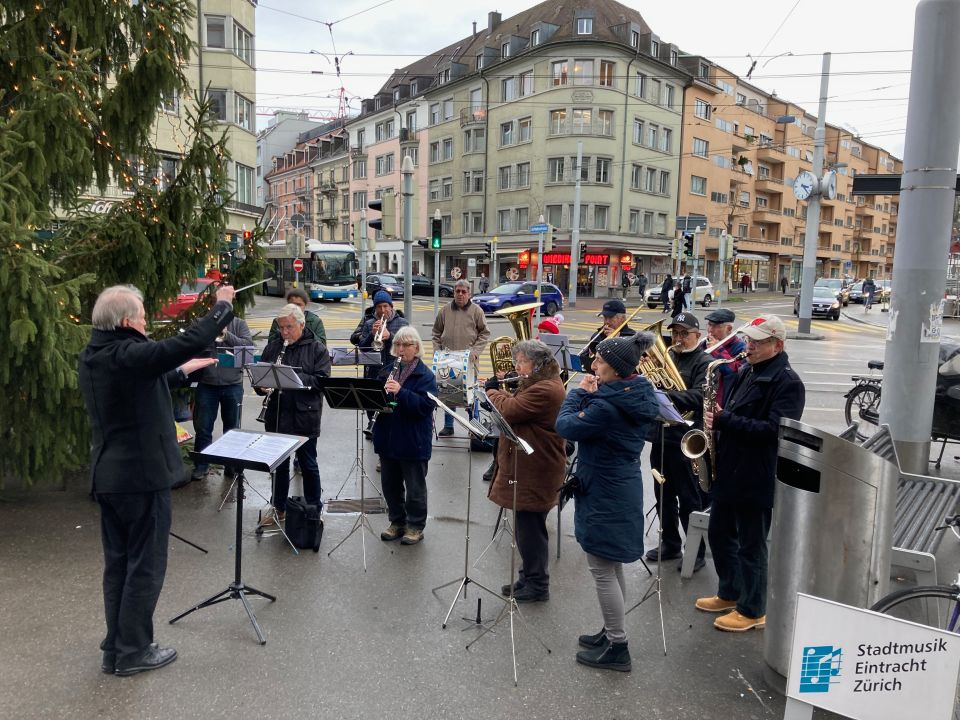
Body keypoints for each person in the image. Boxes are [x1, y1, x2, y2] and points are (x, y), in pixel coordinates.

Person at [79, 283, 236, 676]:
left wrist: (183, 371)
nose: (148, 323)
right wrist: (221, 307)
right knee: (144, 566)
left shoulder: (97, 353)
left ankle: (116, 645)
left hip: (110, 476)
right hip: (140, 478)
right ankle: (134, 650)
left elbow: (141, 382)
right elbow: (182, 342)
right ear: (128, 321)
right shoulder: (129, 352)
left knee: (119, 564)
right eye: (144, 317)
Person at [556, 332, 661, 672]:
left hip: (605, 489)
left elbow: (565, 426)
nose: (594, 364)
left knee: (602, 568)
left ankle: (618, 646)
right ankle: (611, 629)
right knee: (612, 565)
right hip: (619, 484)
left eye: (600, 360)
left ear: (616, 369)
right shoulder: (634, 392)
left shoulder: (606, 405)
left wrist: (577, 395)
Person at [697, 315, 805, 632]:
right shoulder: (748, 370)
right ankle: (730, 592)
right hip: (731, 467)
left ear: (778, 344)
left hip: (756, 473)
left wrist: (724, 420)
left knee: (752, 545)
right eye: (749, 340)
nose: (749, 346)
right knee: (719, 533)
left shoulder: (788, 382)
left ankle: (753, 609)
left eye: (757, 342)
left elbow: (775, 431)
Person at [483, 340, 567, 602]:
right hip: (530, 466)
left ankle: (538, 585)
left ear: (538, 364)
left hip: (538, 467)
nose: (516, 367)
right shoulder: (536, 384)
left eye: (521, 362)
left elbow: (510, 409)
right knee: (525, 528)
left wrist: (492, 392)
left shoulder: (546, 389)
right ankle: (527, 577)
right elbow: (517, 404)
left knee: (532, 530)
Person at [255, 304, 332, 528]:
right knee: (279, 465)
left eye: (289, 327)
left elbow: (321, 381)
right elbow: (260, 378)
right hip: (277, 413)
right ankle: (279, 508)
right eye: (281, 328)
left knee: (308, 464)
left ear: (301, 325)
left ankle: (313, 509)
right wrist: (262, 387)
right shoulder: (273, 347)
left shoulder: (317, 349)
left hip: (304, 415)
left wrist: (291, 378)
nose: (284, 332)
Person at [646, 313, 712, 572]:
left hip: (686, 438)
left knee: (689, 497)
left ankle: (696, 550)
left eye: (685, 333)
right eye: (675, 333)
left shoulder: (705, 362)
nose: (679, 338)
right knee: (662, 494)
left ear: (698, 334)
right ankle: (670, 542)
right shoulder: (669, 355)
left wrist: (666, 395)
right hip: (661, 435)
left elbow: (699, 396)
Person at [374, 326, 438, 545]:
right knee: (390, 486)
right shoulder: (387, 370)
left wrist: (401, 391)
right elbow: (373, 400)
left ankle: (415, 526)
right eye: (398, 345)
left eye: (406, 345)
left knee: (415, 488)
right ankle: (397, 522)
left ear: (416, 347)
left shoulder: (425, 375)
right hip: (388, 437)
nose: (401, 349)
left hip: (413, 440)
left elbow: (425, 406)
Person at [190, 313, 253, 481]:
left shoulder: (239, 324)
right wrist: (209, 332)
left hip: (232, 384)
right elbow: (192, 343)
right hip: (207, 383)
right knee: (203, 428)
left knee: (232, 429)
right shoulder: (201, 322)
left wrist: (227, 335)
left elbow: (247, 346)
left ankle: (231, 465)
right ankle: (201, 465)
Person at [432, 279, 490, 437]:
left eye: (463, 292)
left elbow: (485, 333)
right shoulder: (444, 311)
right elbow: (436, 332)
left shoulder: (477, 311)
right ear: (454, 292)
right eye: (457, 291)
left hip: (469, 362)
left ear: (469, 294)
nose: (460, 294)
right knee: (448, 393)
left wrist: (475, 351)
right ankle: (448, 426)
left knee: (471, 396)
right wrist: (438, 352)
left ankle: (474, 427)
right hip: (447, 360)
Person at [351, 290, 408, 436]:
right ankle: (373, 426)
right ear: (375, 308)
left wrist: (390, 337)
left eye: (385, 306)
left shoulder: (402, 322)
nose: (383, 310)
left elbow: (408, 346)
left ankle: (390, 429)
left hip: (394, 370)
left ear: (391, 306)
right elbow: (363, 347)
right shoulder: (369, 322)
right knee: (372, 401)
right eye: (379, 307)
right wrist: (372, 333)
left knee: (391, 403)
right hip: (374, 370)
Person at [577, 299, 635, 375]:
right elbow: (584, 361)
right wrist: (588, 355)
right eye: (605, 317)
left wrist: (618, 341)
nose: (607, 321)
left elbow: (632, 366)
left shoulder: (632, 337)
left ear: (622, 319)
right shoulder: (597, 335)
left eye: (610, 318)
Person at [703, 308, 747, 404]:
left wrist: (717, 350)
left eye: (715, 326)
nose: (710, 330)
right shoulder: (704, 343)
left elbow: (735, 373)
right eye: (709, 325)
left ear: (729, 329)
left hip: (723, 401)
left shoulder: (740, 347)